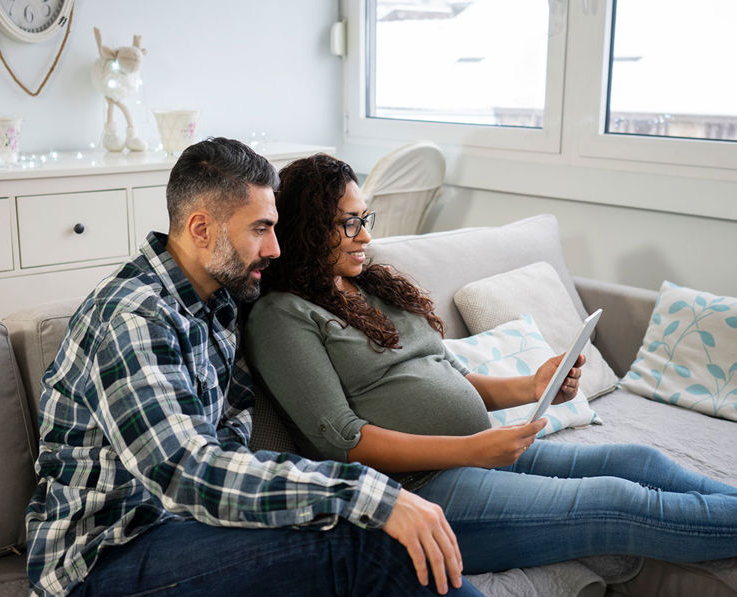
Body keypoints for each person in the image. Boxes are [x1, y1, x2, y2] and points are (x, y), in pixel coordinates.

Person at [25, 138, 485, 597]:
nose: (275, 248)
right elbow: (187, 471)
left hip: (190, 527)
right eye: (260, 229)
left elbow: (233, 444)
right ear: (201, 229)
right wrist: (366, 491)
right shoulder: (133, 320)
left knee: (359, 530)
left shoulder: (220, 303)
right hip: (106, 556)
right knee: (366, 544)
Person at [245, 152, 737, 575]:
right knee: (619, 502)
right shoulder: (283, 315)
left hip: (474, 454)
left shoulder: (372, 286)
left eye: (364, 219)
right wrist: (471, 450)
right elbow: (344, 443)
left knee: (636, 462)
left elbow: (452, 377)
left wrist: (534, 386)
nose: (365, 237)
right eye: (348, 223)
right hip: (416, 493)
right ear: (308, 229)